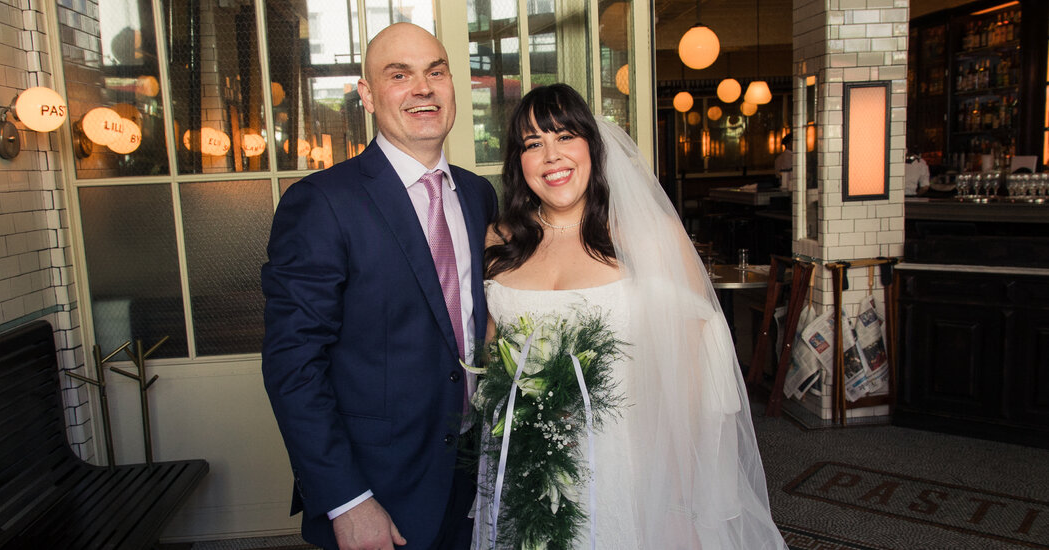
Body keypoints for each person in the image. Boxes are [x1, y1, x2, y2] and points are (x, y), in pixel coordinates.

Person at [473, 84, 786, 548]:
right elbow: (492, 358)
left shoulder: (649, 235)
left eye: (565, 137)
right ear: (519, 162)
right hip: (528, 466)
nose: (551, 156)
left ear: (593, 147)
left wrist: (680, 498)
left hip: (630, 465)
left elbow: (692, 375)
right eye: (533, 143)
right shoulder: (499, 240)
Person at [262, 23, 498, 550]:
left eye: (435, 72)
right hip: (378, 492)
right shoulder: (322, 203)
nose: (423, 88)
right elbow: (293, 365)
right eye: (399, 75)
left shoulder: (479, 195)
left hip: (474, 479)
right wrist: (346, 500)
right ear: (367, 95)